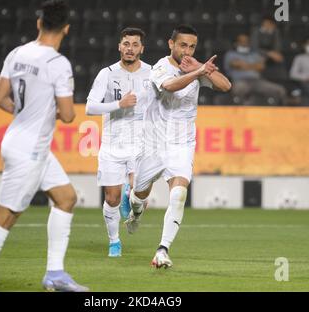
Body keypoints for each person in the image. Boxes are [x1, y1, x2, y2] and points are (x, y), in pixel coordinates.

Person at [0, 0, 88, 292]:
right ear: (66, 29)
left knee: (66, 197)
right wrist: (47, 112)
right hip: (29, 150)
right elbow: (68, 115)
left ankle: (55, 274)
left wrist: (26, 112)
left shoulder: (17, 53)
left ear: (39, 23)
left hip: (21, 141)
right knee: (6, 214)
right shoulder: (59, 64)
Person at [124, 25, 231, 268]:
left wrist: (200, 68)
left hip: (182, 143)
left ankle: (162, 250)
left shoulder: (194, 66)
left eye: (192, 46)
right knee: (139, 194)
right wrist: (197, 72)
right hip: (153, 144)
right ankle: (136, 212)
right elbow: (171, 86)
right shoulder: (160, 67)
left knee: (179, 193)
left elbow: (225, 86)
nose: (187, 50)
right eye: (183, 45)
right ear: (171, 44)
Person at [85, 28, 151, 257]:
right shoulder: (107, 73)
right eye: (126, 43)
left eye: (135, 44)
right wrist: (118, 105)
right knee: (111, 199)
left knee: (139, 194)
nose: (130, 48)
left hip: (141, 143)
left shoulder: (152, 73)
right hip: (113, 144)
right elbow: (90, 107)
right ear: (119, 46)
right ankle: (114, 241)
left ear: (142, 48)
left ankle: (133, 207)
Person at [224, 34, 287, 105]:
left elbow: (261, 67)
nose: (245, 43)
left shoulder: (254, 54)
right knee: (239, 90)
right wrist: (254, 66)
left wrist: (244, 66)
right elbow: (236, 64)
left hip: (257, 81)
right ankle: (239, 114)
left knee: (279, 90)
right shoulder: (231, 54)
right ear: (236, 43)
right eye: (242, 41)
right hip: (240, 81)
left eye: (246, 41)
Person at [250, 15, 288, 82]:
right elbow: (254, 48)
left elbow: (277, 46)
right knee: (259, 58)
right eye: (265, 23)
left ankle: (281, 80)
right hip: (258, 53)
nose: (267, 25)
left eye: (270, 23)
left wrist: (275, 54)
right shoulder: (256, 31)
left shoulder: (275, 31)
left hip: (272, 54)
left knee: (280, 58)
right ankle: (260, 80)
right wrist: (268, 53)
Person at [290, 37, 309, 106]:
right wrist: (306, 77)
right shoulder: (299, 58)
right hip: (305, 83)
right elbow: (293, 74)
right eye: (308, 44)